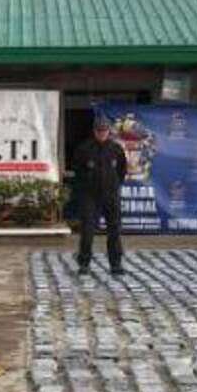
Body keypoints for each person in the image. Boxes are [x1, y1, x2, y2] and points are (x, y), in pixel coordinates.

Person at [72, 115, 128, 276]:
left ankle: (115, 264)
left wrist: (114, 185)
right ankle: (84, 264)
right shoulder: (84, 148)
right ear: (94, 131)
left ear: (109, 131)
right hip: (91, 196)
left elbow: (122, 171)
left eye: (104, 130)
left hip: (111, 195)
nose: (102, 133)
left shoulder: (116, 149)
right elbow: (78, 170)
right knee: (88, 231)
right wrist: (87, 185)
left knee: (115, 230)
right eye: (99, 131)